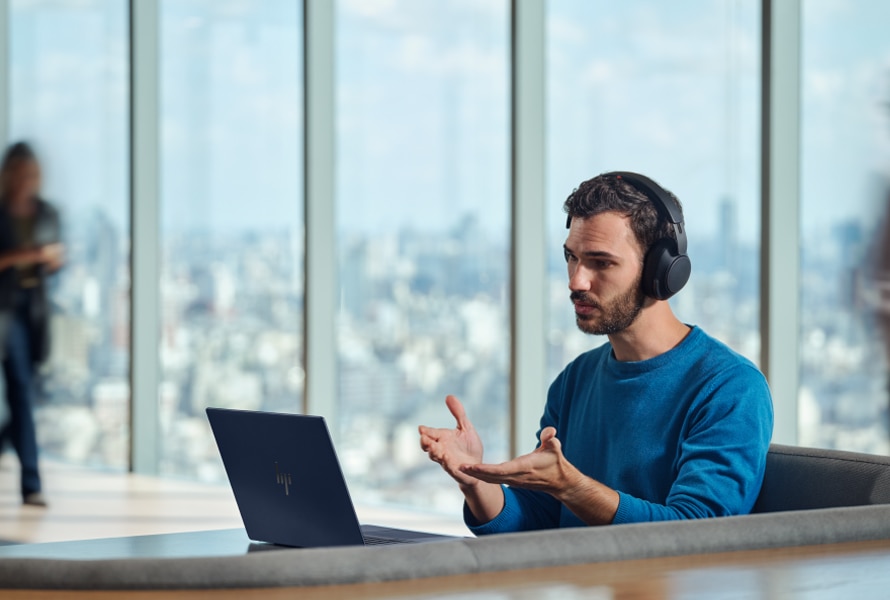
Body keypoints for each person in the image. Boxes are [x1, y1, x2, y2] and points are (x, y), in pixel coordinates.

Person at [419, 171, 773, 532]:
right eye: (571, 257)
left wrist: (570, 485)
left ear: (661, 272)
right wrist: (474, 480)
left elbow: (696, 532)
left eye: (601, 263)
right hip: (576, 587)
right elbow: (539, 519)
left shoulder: (730, 388)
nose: (576, 281)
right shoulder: (575, 379)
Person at [0, 142, 64, 507]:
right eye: (21, 173)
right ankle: (31, 484)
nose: (27, 180)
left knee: (27, 392)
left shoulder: (47, 213)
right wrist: (26, 255)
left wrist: (52, 260)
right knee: (21, 391)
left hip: (35, 308)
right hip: (5, 309)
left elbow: (55, 257)